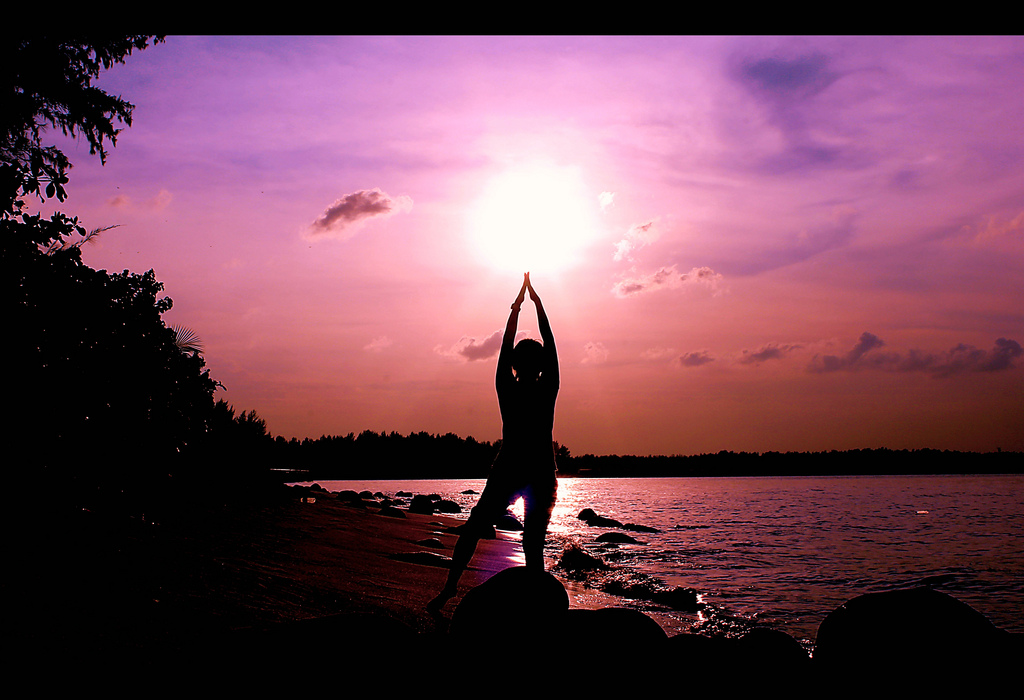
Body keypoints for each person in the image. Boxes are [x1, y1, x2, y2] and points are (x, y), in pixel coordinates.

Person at [428, 272, 559, 612]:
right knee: (530, 542)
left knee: (484, 531)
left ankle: (451, 590)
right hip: (532, 471)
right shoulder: (544, 388)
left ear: (518, 366)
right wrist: (535, 305)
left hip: (519, 470)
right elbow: (546, 342)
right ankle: (534, 606)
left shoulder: (510, 387)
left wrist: (518, 308)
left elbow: (509, 347)